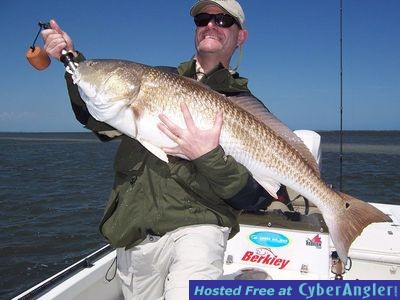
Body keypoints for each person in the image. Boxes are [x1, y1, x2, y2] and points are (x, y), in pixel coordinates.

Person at [42, 0, 275, 299]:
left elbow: (255, 197)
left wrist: (209, 157)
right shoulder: (155, 80)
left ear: (241, 36)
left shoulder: (247, 109)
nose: (210, 25)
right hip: (138, 231)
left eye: (223, 20)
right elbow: (95, 117)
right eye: (203, 18)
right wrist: (69, 57)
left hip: (200, 229)